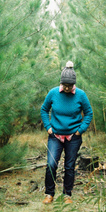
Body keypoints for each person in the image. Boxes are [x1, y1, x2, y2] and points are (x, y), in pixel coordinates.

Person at [40, 61, 93, 204]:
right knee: (51, 164)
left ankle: (67, 195)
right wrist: (48, 127)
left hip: (73, 137)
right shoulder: (53, 93)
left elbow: (89, 113)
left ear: (74, 84)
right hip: (55, 136)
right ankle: (49, 194)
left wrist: (80, 130)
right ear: (61, 83)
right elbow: (44, 110)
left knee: (69, 166)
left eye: (70, 85)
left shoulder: (81, 95)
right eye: (65, 85)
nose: (67, 88)